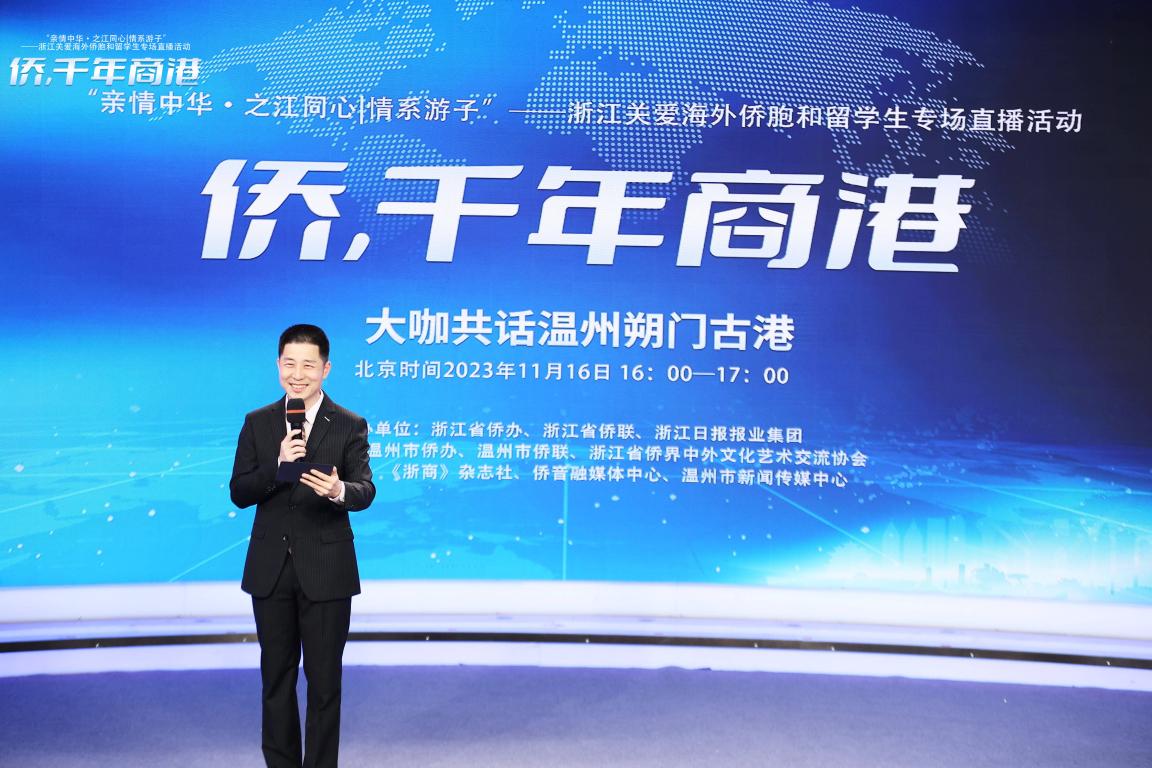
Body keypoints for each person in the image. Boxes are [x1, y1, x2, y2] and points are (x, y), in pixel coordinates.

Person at [230, 324, 375, 768]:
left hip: (327, 569)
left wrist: (337, 490)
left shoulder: (349, 424)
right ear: (278, 365)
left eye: (308, 365)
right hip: (271, 570)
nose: (298, 374)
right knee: (276, 678)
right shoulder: (258, 422)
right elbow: (239, 492)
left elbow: (365, 490)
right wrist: (278, 466)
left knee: (325, 683)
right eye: (289, 364)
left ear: (325, 369)